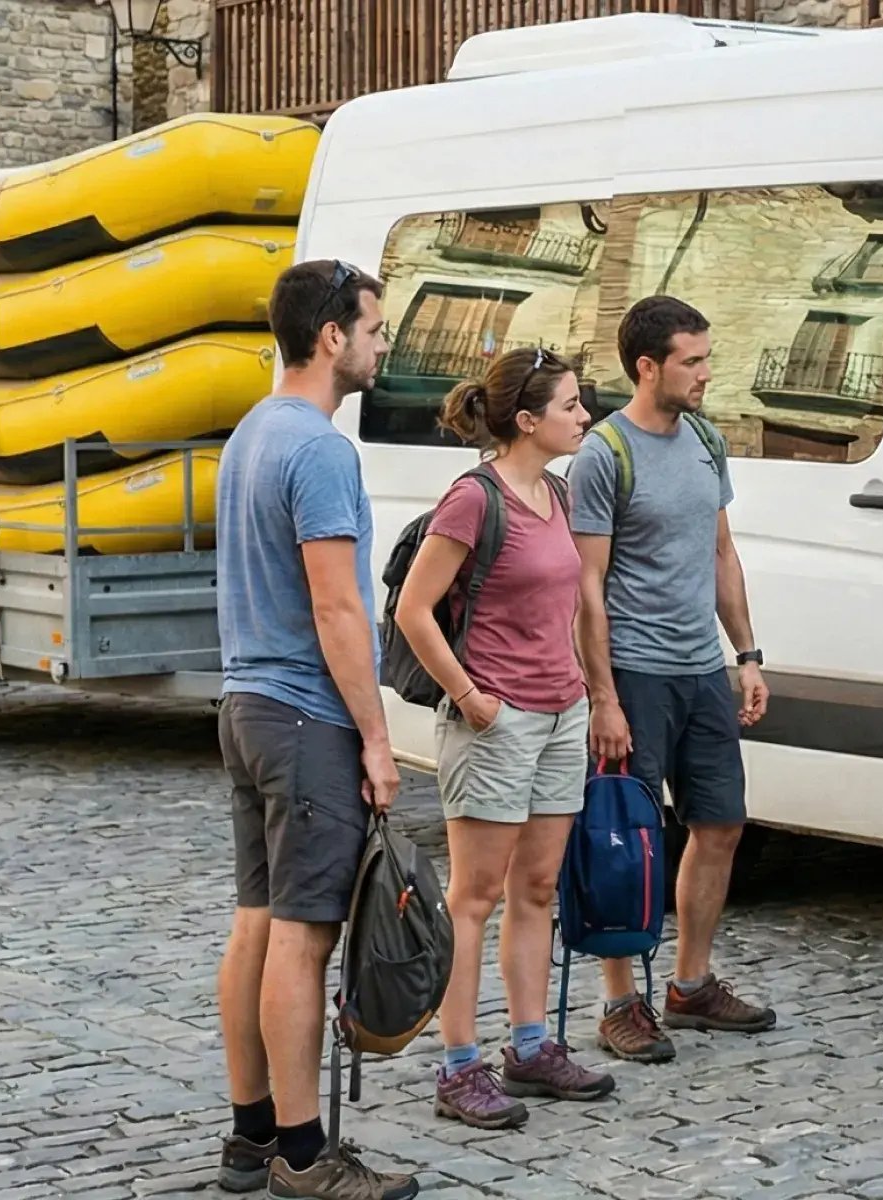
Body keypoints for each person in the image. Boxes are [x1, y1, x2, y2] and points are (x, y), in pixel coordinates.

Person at [212, 259, 418, 1200]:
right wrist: (375, 739)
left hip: (245, 706)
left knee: (257, 922)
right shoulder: (322, 449)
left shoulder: (252, 432)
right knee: (303, 937)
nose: (383, 345)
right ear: (332, 335)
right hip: (303, 713)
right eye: (374, 329)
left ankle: (251, 1136)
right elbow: (340, 611)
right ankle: (303, 1154)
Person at [394, 346, 617, 1129]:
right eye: (570, 405)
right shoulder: (472, 500)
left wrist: (592, 695)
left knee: (536, 890)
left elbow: (580, 605)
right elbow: (413, 611)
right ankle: (459, 1068)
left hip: (560, 716)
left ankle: (529, 1048)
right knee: (474, 897)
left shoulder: (556, 494)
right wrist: (469, 696)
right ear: (527, 421)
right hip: (497, 722)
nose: (584, 415)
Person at [567, 295, 775, 1065]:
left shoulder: (706, 441)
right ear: (647, 366)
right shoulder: (604, 454)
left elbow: (722, 555)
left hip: (700, 670)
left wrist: (746, 655)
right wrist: (604, 697)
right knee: (624, 836)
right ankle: (618, 999)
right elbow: (586, 585)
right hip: (635, 673)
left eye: (706, 357)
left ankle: (689, 983)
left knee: (720, 824)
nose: (705, 373)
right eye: (691, 360)